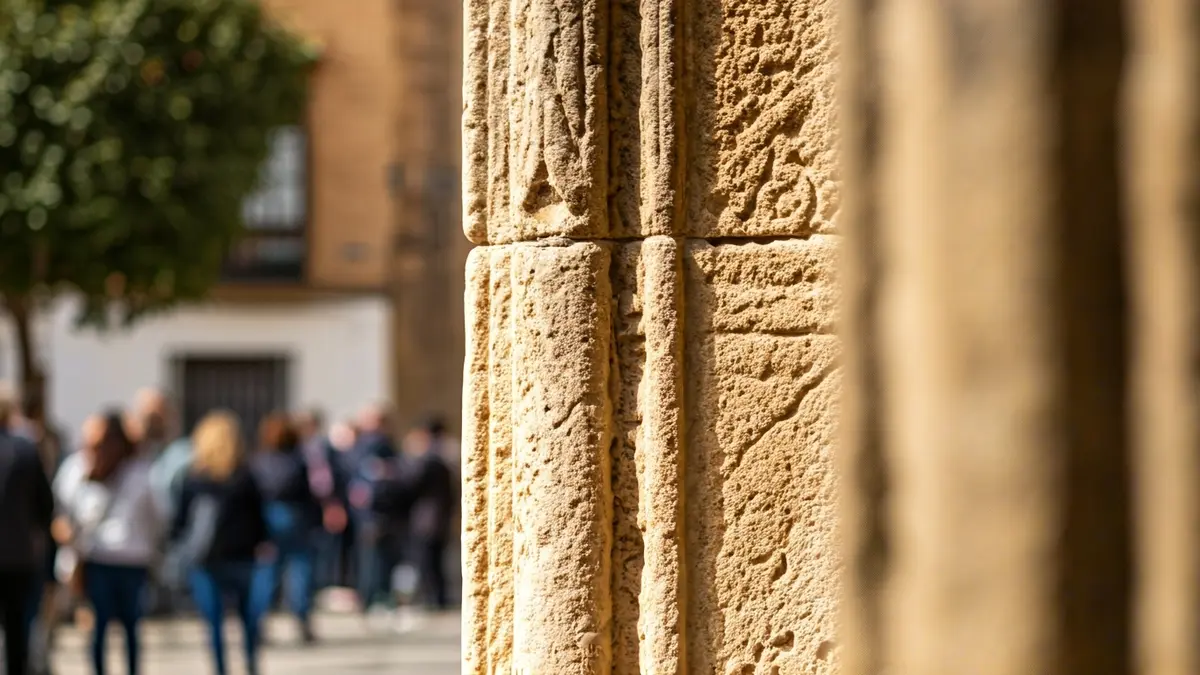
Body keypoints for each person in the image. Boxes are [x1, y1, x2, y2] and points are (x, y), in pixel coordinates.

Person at [54, 411, 161, 675]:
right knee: (100, 625)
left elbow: (157, 515)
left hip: (131, 559)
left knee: (130, 625)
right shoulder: (77, 468)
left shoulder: (139, 471)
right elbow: (61, 508)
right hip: (97, 557)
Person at [172, 411, 270, 675]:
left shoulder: (192, 479)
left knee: (213, 622)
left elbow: (179, 522)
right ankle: (249, 663)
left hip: (205, 559)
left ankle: (220, 668)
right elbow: (259, 518)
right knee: (247, 618)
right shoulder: (244, 476)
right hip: (242, 556)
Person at [249, 413, 321, 643]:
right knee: (300, 569)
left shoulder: (259, 461)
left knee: (267, 571)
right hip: (296, 516)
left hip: (269, 516)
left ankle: (258, 622)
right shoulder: (297, 460)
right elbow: (308, 493)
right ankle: (301, 617)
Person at [374, 416, 455, 611]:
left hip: (427, 519)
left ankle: (434, 600)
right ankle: (435, 598)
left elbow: (410, 484)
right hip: (435, 518)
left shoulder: (430, 460)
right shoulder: (440, 458)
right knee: (432, 561)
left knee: (427, 561)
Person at [0, 393, 55, 675]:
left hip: (16, 553)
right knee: (16, 629)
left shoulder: (24, 448)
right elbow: (45, 505)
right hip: (17, 555)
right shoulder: (24, 449)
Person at [345, 404, 400, 614]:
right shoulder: (377, 444)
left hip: (372, 510)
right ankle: (374, 595)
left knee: (372, 555)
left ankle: (370, 595)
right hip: (375, 510)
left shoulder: (369, 444)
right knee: (373, 556)